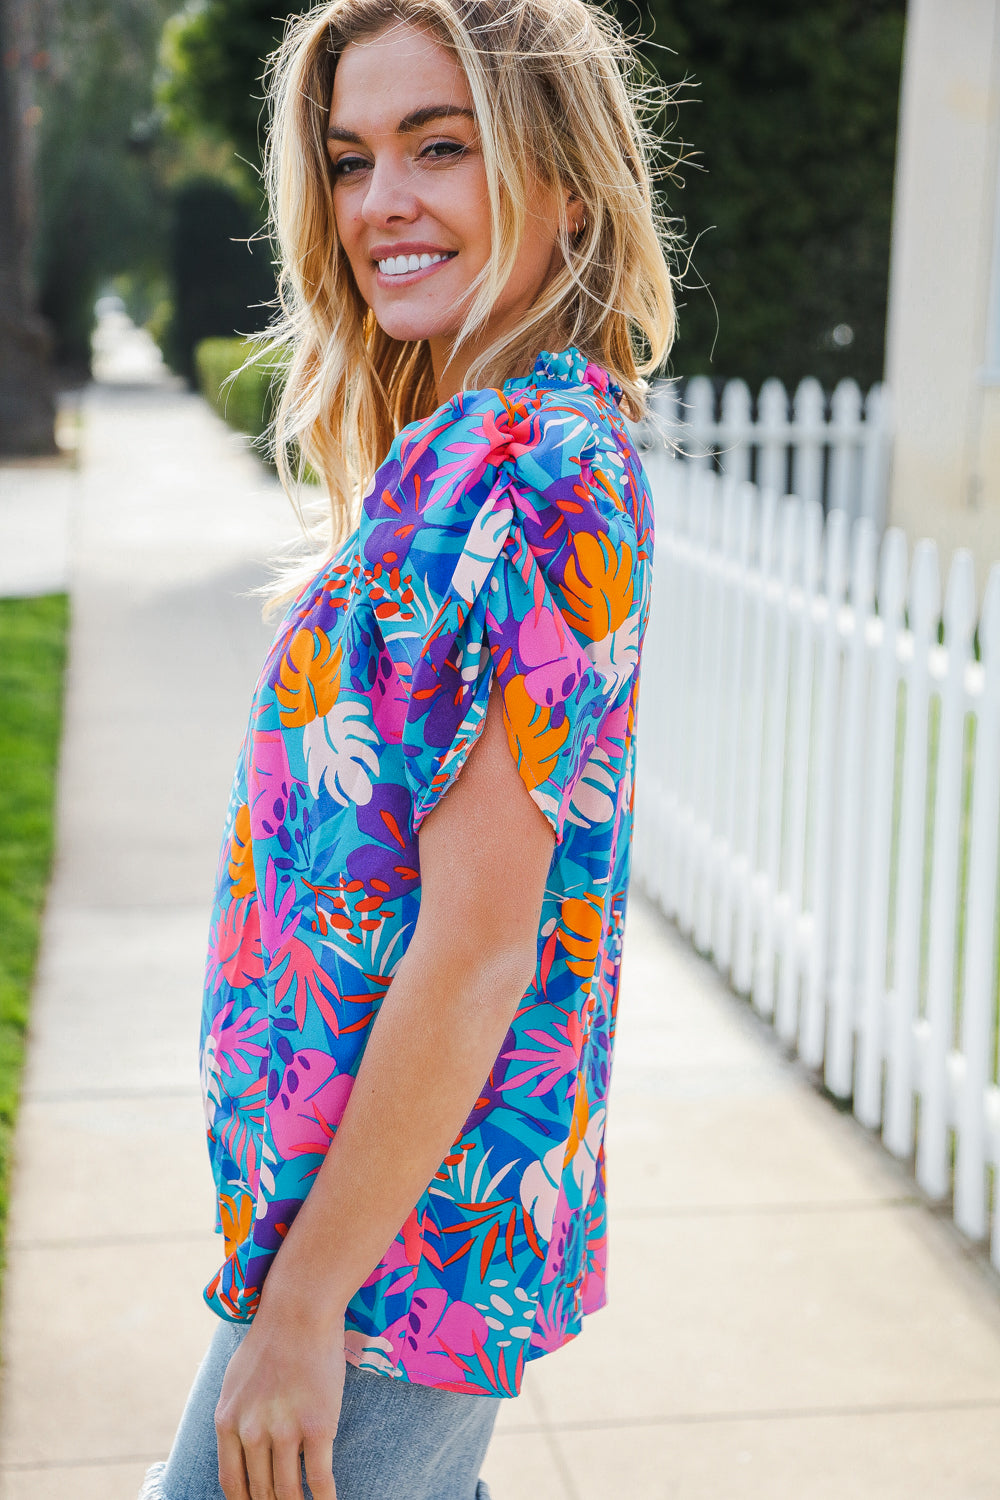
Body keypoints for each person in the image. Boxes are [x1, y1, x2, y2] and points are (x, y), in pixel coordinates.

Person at [140, 1, 674, 1496]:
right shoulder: (461, 452)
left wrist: (306, 1306)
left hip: (398, 1260)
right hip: (354, 1219)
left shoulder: (541, 474)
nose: (382, 202)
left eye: (441, 148)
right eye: (351, 157)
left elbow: (479, 952)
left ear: (566, 182)